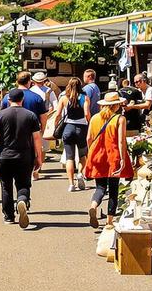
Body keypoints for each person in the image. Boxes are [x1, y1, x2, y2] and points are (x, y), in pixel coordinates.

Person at [0, 88, 42, 228]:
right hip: (25, 156)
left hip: (5, 156)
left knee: (6, 186)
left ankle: (9, 216)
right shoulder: (31, 115)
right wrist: (39, 157)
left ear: (9, 100)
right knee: (23, 184)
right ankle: (22, 200)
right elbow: (37, 138)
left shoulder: (1, 115)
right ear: (22, 99)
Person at [84, 92, 133, 229]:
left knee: (100, 187)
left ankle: (93, 206)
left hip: (97, 155)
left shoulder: (95, 118)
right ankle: (109, 221)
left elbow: (88, 138)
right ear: (116, 105)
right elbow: (121, 141)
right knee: (113, 189)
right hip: (113, 155)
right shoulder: (120, 119)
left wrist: (91, 153)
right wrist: (123, 158)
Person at [52, 77, 92, 192]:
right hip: (81, 128)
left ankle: (71, 184)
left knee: (69, 157)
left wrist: (55, 126)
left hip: (68, 128)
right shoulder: (85, 98)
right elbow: (87, 114)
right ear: (80, 85)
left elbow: (58, 114)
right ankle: (80, 173)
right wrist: (89, 123)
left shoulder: (64, 98)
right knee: (83, 155)